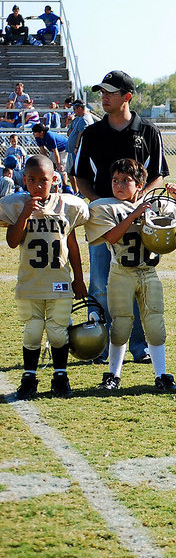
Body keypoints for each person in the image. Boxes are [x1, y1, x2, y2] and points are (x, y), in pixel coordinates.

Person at [74, 70, 169, 365]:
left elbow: (159, 174)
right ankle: (101, 344)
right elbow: (79, 176)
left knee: (139, 280)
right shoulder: (91, 133)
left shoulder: (149, 132)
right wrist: (100, 204)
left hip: (139, 220)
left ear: (127, 96)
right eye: (101, 92)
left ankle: (139, 348)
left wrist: (140, 198)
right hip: (103, 221)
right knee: (101, 282)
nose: (103, 97)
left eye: (110, 93)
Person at [85, 159, 176, 393]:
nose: (119, 185)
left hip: (149, 271)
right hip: (121, 272)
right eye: (115, 181)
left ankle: (161, 375)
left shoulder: (154, 204)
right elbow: (111, 237)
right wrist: (135, 214)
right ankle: (113, 375)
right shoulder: (105, 207)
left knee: (155, 324)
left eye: (126, 181)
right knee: (120, 324)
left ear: (140, 185)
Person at [0, 155, 89, 399]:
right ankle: (28, 376)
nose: (37, 186)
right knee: (32, 330)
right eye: (32, 180)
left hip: (59, 281)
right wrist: (25, 215)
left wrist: (79, 279)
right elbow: (11, 242)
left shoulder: (66, 206)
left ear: (54, 180)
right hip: (30, 283)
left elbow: (72, 246)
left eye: (43, 180)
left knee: (58, 331)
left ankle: (61, 376)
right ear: (24, 180)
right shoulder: (17, 205)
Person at [64, 99, 96, 193]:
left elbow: (81, 134)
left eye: (74, 108)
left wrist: (77, 147)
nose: (73, 111)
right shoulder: (78, 119)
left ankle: (83, 192)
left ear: (79, 108)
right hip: (72, 151)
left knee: (80, 173)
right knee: (71, 172)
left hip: (77, 151)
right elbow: (69, 132)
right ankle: (77, 192)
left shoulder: (85, 119)